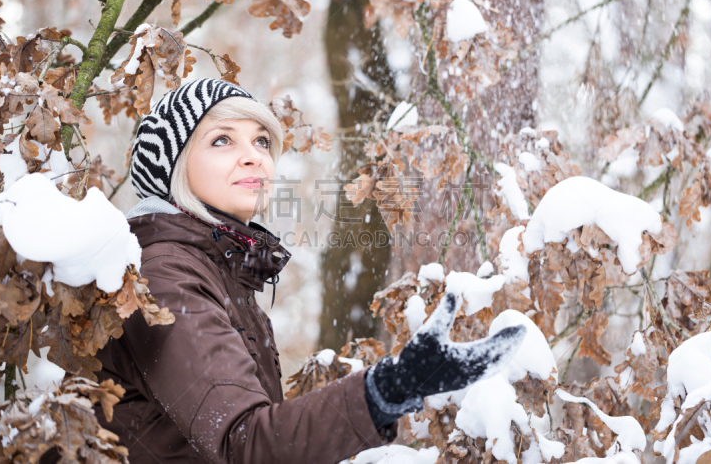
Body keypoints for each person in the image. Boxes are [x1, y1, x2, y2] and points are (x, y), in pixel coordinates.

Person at [86, 78, 526, 462]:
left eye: (262, 141)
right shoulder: (165, 276)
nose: (254, 156)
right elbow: (247, 444)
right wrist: (389, 387)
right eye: (222, 140)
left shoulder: (215, 268)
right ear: (171, 166)